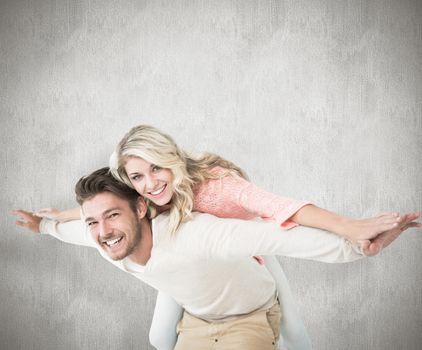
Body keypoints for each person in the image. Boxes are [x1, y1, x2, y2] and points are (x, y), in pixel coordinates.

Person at [35, 125, 407, 350]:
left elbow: (278, 213)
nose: (150, 185)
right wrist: (50, 221)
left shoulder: (215, 185)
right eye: (137, 178)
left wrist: (352, 230)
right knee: (159, 337)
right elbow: (99, 212)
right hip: (184, 263)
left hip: (244, 250)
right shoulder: (138, 208)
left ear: (172, 158)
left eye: (156, 168)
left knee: (294, 330)